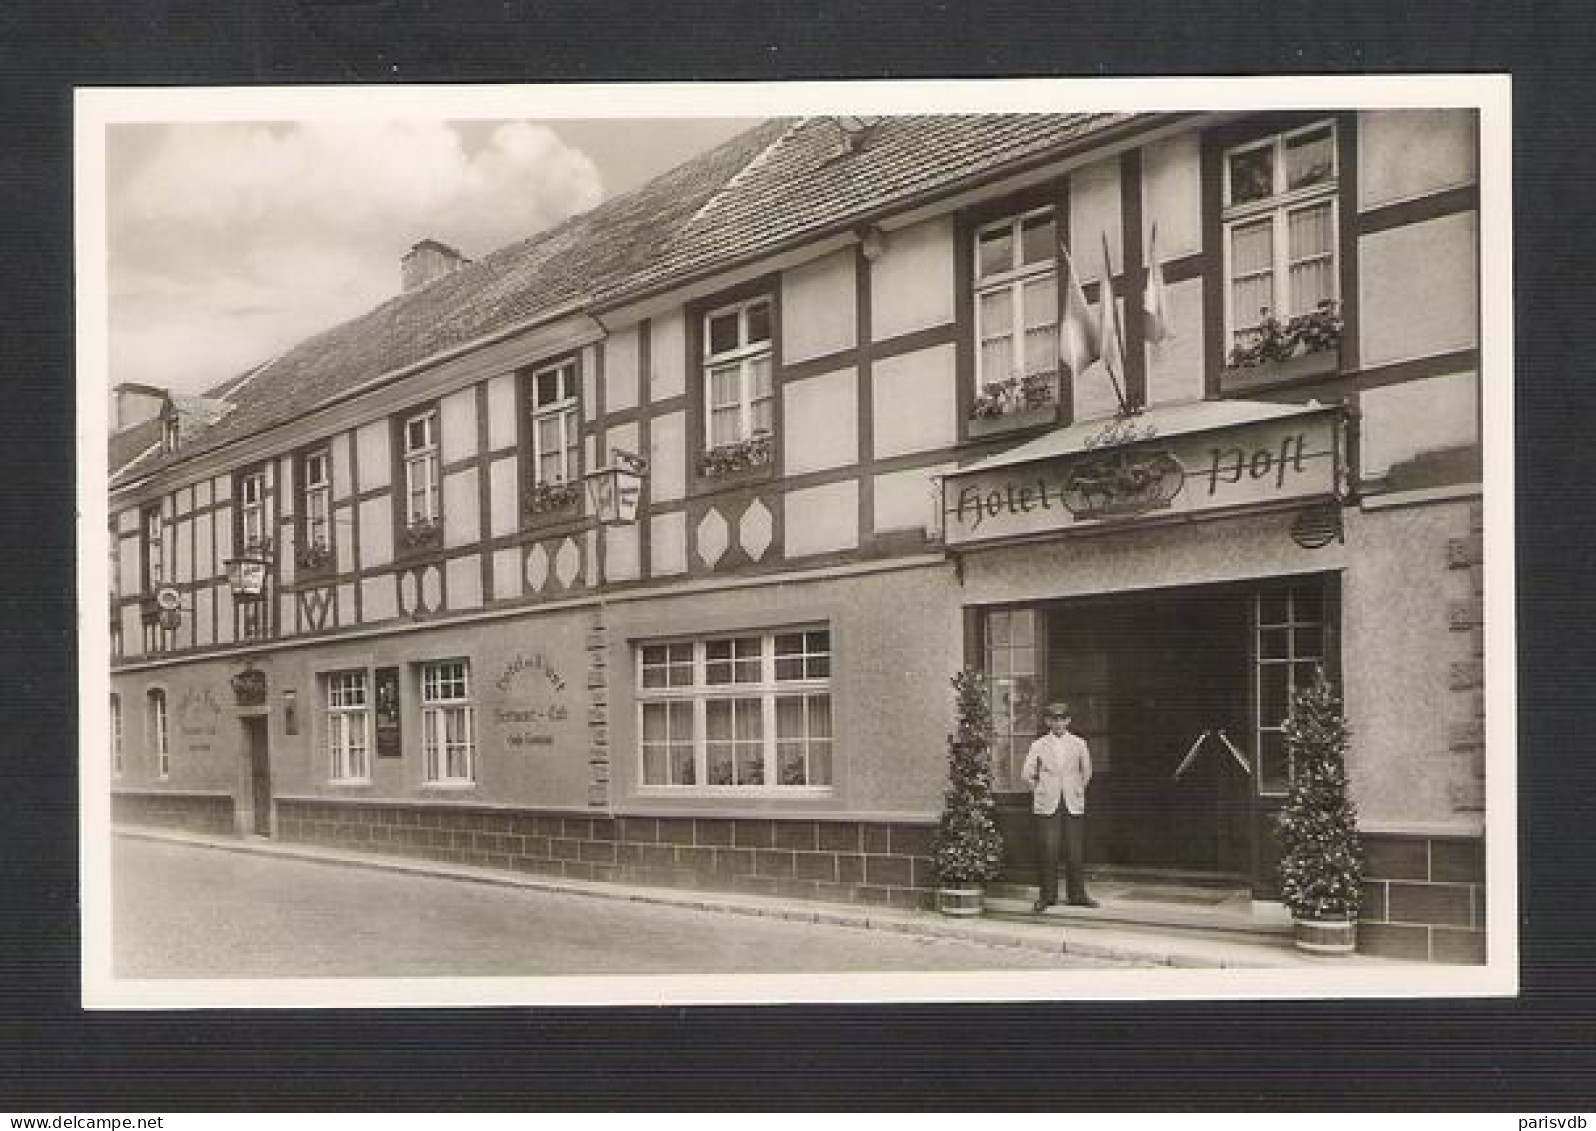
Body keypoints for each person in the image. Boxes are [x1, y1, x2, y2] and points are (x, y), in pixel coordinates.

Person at [1022, 701, 1099, 912]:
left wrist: (1076, 788)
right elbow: (1027, 774)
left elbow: (1087, 771)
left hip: (1072, 801)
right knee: (1049, 849)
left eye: (1062, 719)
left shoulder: (1079, 743)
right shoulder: (1038, 745)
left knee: (1075, 850)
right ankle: (1047, 897)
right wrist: (1041, 789)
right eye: (1053, 719)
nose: (1058, 723)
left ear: (1068, 721)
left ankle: (1078, 896)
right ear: (1047, 721)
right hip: (1048, 802)